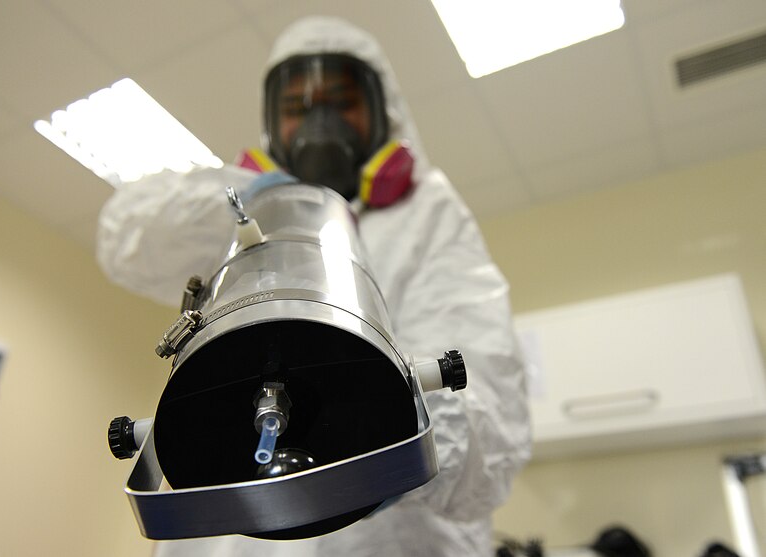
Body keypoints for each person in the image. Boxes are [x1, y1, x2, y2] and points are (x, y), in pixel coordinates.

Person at [97, 16, 531, 557]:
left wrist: (390, 436)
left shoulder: (425, 213)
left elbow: (484, 433)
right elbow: (123, 238)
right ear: (272, 123)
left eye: (342, 101)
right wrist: (247, 194)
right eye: (298, 106)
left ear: (382, 112)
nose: (318, 122)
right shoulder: (247, 210)